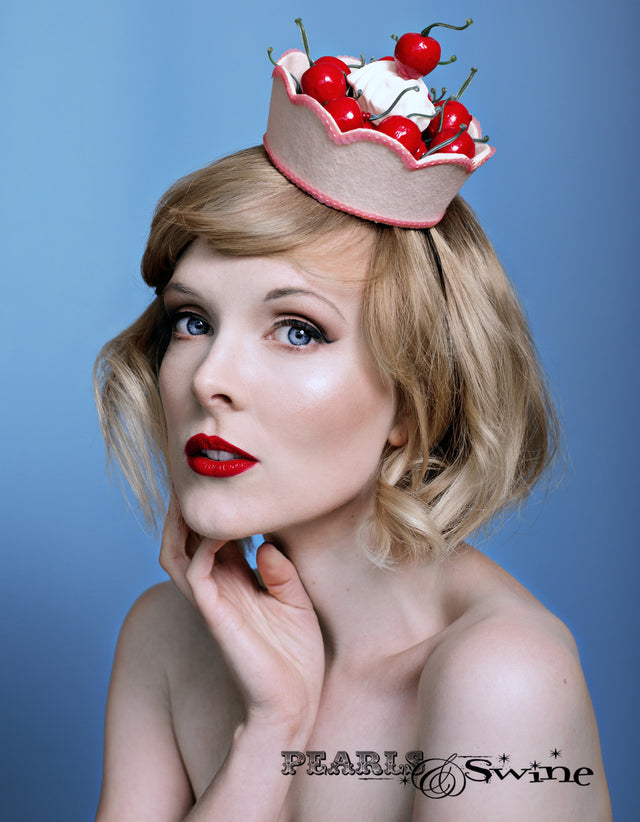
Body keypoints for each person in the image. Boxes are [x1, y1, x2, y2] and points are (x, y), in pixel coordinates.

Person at [93, 28, 612, 822]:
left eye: (298, 329)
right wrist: (271, 736)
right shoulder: (168, 638)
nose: (210, 379)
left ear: (415, 397)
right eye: (192, 320)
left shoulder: (502, 677)